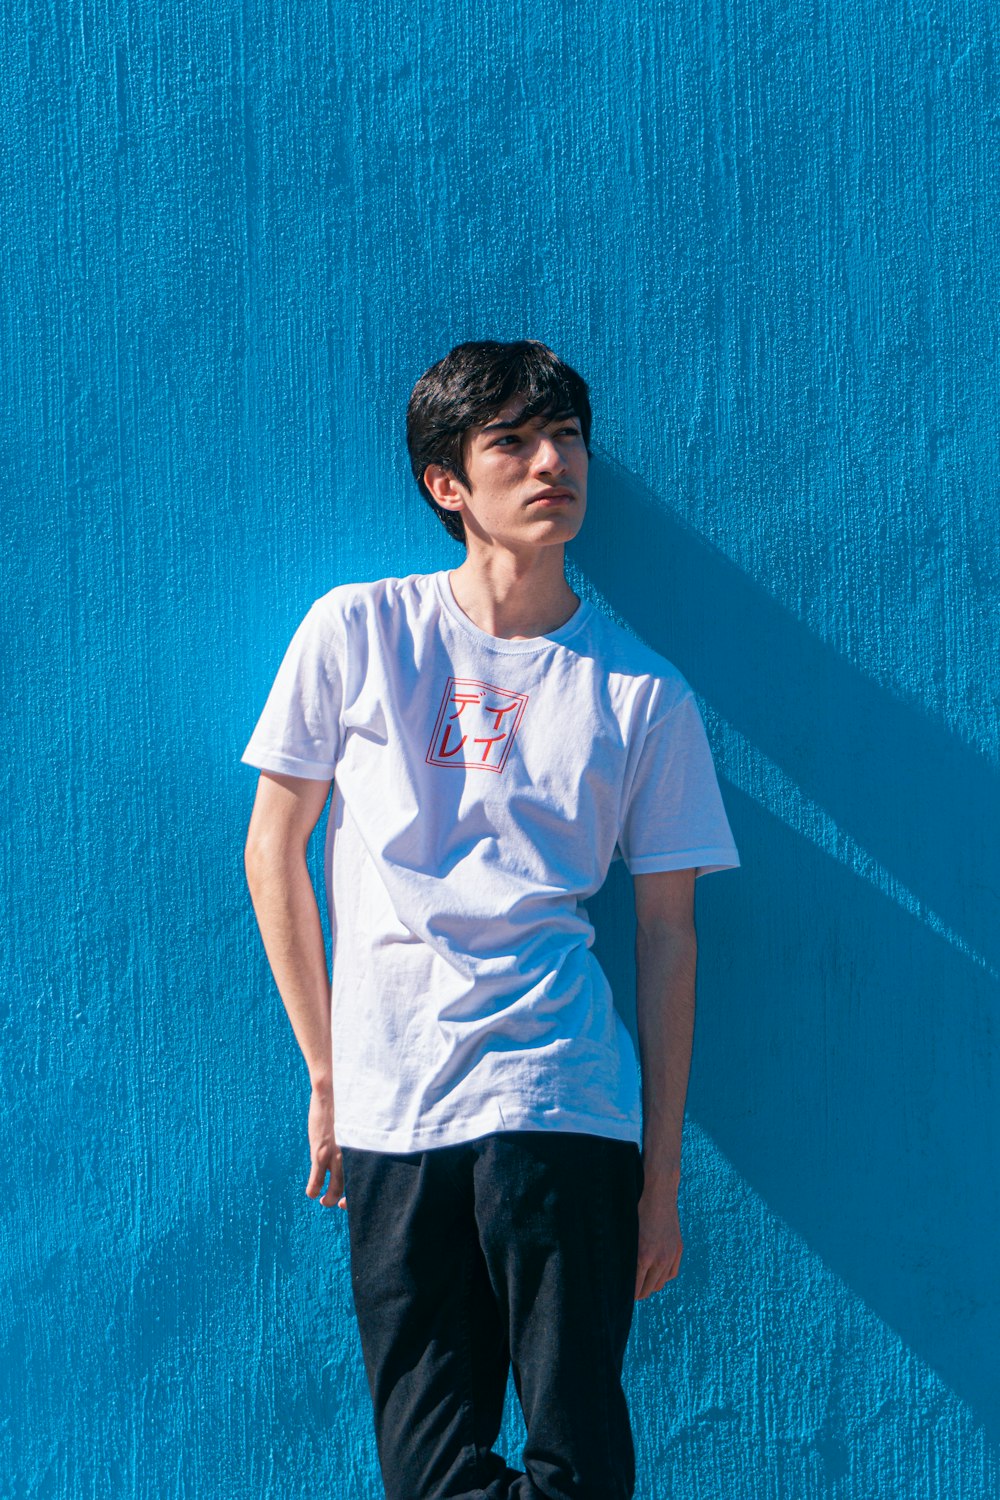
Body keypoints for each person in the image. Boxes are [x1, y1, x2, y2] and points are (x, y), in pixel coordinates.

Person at [241, 339, 740, 1499]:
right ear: (446, 483)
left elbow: (668, 936)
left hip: (561, 1099)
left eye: (563, 435)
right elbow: (274, 848)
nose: (549, 462)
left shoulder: (639, 692)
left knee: (578, 1466)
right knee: (425, 1473)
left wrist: (658, 1178)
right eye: (510, 441)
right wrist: (327, 1071)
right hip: (394, 1109)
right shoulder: (357, 632)